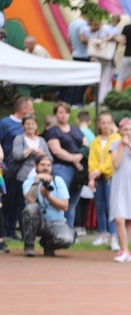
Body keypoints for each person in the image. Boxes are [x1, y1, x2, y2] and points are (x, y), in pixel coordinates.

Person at [22, 154, 76, 257]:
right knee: (31, 208)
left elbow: (65, 206)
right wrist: (37, 180)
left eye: (48, 165)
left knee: (67, 239)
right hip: (37, 222)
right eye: (42, 165)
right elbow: (30, 199)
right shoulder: (29, 181)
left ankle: (48, 244)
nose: (45, 168)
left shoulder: (58, 181)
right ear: (36, 166)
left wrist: (48, 197)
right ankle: (29, 245)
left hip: (56, 222)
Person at [46, 102, 85, 227]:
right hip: (61, 168)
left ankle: (69, 231)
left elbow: (86, 145)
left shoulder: (76, 129)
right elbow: (56, 150)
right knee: (60, 200)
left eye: (66, 112)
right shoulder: (53, 131)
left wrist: (80, 156)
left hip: (78, 170)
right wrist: (74, 159)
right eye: (61, 112)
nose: (64, 115)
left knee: (72, 203)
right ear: (55, 114)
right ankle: (57, 229)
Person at [109, 118, 131, 263]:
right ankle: (123, 250)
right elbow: (116, 164)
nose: (128, 132)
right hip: (119, 182)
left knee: (129, 218)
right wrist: (123, 147)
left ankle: (125, 249)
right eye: (125, 130)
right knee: (119, 218)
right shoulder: (114, 144)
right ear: (120, 131)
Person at [1, 97, 35, 240]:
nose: (33, 111)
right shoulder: (5, 123)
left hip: (24, 170)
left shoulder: (27, 125)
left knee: (19, 201)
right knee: (8, 200)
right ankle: (5, 229)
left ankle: (12, 229)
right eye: (31, 108)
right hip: (9, 169)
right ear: (23, 109)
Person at [87, 112, 120, 250]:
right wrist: (91, 175)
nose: (105, 125)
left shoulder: (116, 139)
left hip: (109, 176)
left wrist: (98, 171)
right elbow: (92, 159)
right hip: (97, 177)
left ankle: (113, 236)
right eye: (103, 123)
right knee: (99, 206)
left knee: (110, 207)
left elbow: (111, 161)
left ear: (112, 123)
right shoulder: (95, 141)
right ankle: (102, 234)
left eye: (108, 122)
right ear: (99, 125)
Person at [89, 14, 121, 104]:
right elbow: (111, 37)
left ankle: (104, 98)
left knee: (103, 79)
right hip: (107, 56)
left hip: (101, 55)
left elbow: (107, 37)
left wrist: (100, 42)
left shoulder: (105, 28)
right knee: (106, 79)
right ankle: (101, 100)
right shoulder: (114, 29)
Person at [67, 14, 91, 107]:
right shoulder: (83, 24)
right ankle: (78, 101)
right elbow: (82, 38)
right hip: (83, 55)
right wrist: (92, 42)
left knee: (75, 79)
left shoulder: (72, 23)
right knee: (84, 79)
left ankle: (72, 100)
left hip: (75, 53)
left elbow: (69, 41)